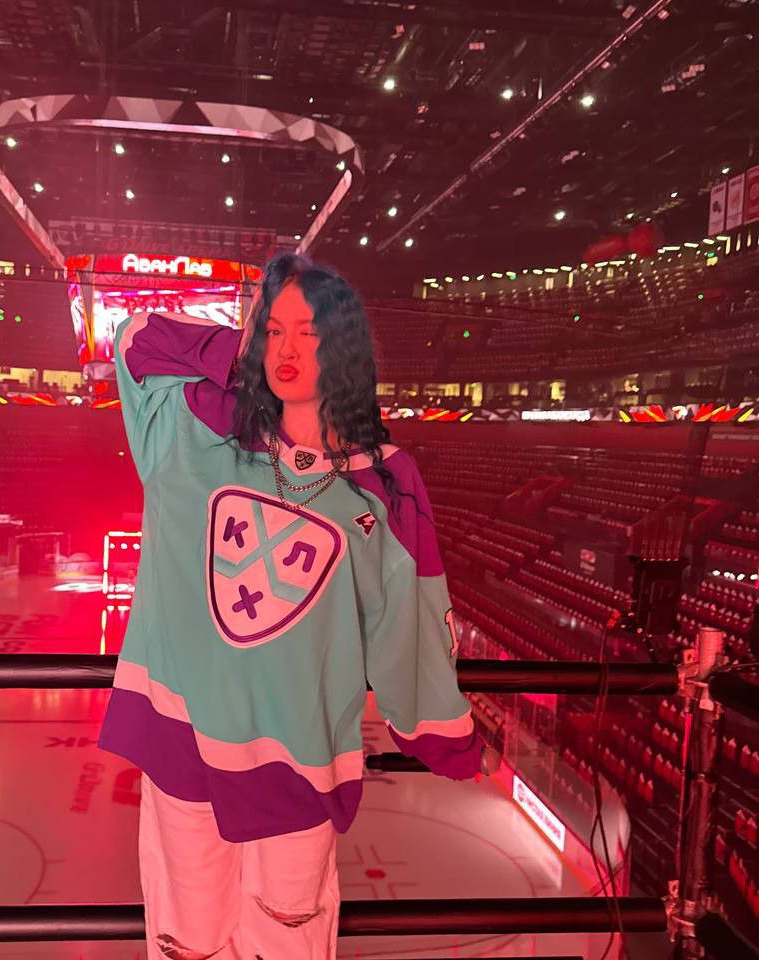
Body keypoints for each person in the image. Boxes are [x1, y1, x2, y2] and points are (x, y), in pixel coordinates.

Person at [97, 252, 495, 960]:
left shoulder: (383, 484)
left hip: (300, 760)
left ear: (343, 348)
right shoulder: (196, 434)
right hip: (184, 744)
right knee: (188, 941)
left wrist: (439, 731)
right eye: (273, 331)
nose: (286, 351)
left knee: (288, 939)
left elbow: (406, 621)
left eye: (308, 333)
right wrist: (238, 355)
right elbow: (134, 339)